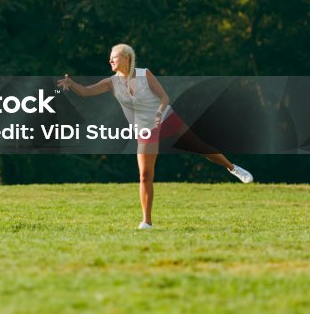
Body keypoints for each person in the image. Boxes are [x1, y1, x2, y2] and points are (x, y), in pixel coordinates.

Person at [57, 43, 253, 229]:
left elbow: (164, 97)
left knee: (201, 148)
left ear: (126, 58)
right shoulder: (112, 82)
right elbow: (85, 92)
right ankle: (147, 223)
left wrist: (159, 112)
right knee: (145, 175)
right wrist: (71, 83)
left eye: (113, 58)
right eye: (109, 59)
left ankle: (232, 168)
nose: (110, 61)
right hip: (144, 129)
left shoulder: (144, 74)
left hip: (166, 119)